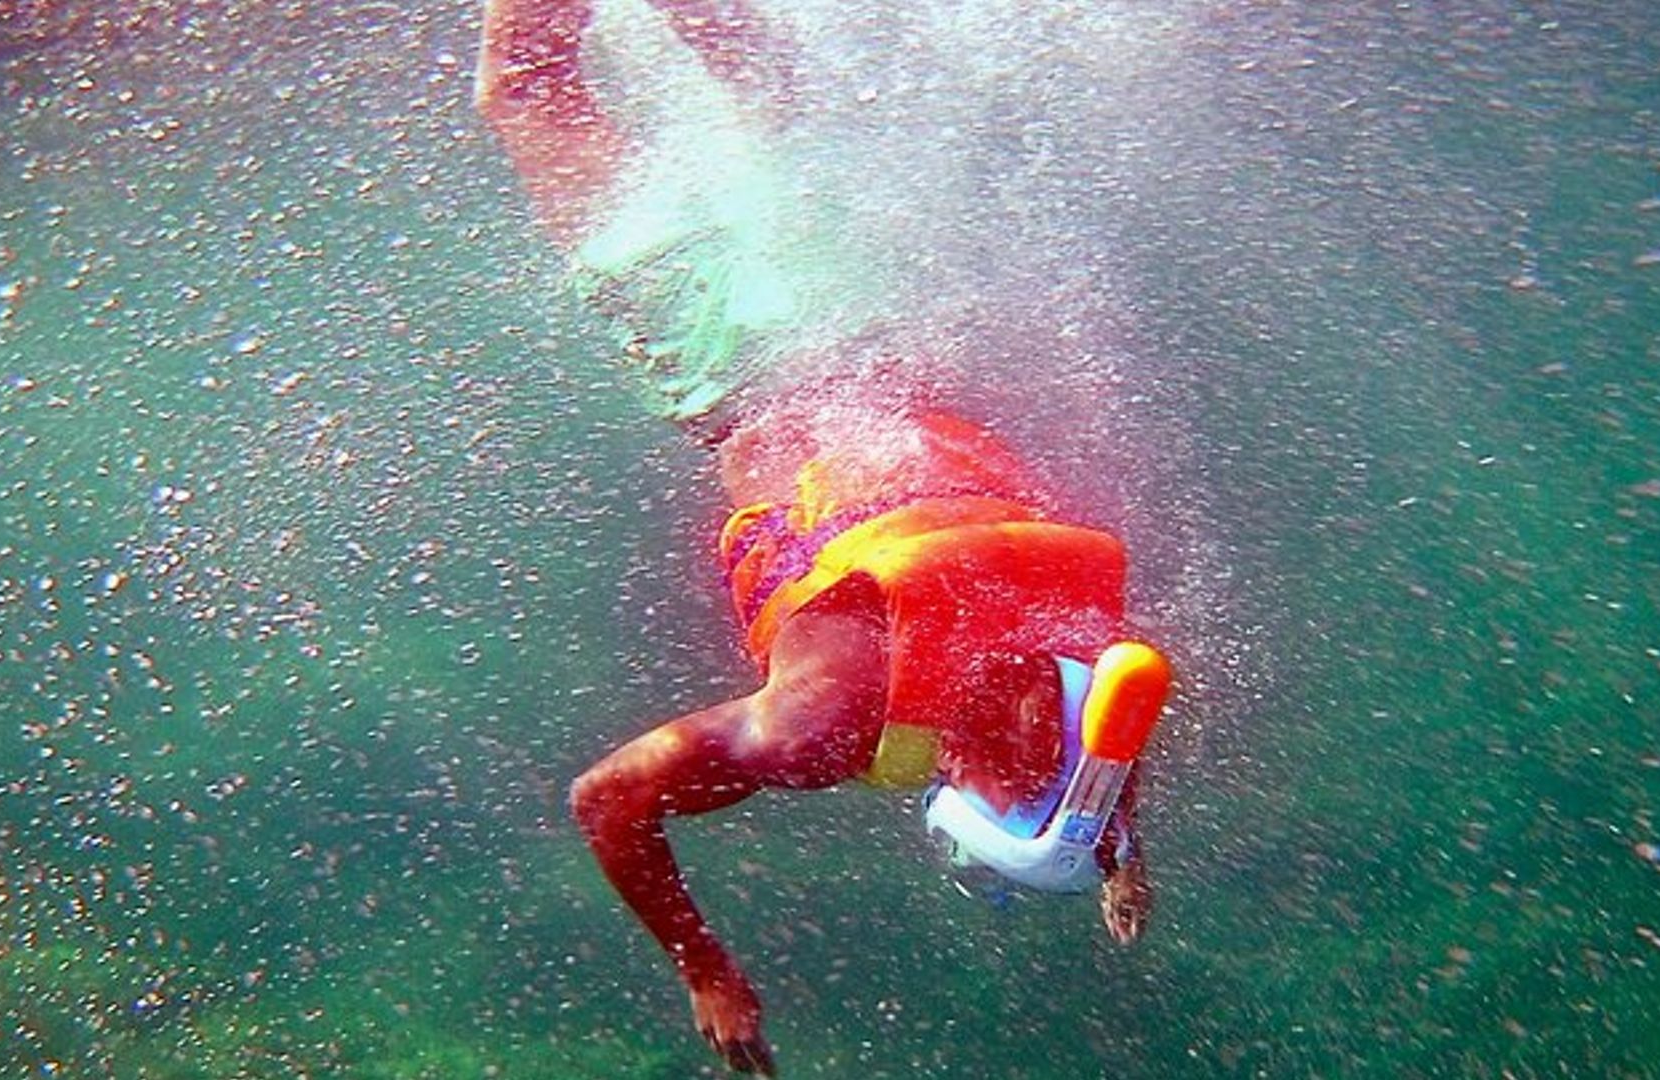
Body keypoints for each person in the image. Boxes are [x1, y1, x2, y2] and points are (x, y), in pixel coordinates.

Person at [476, 2, 1177, 1073]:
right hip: (727, 351)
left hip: (865, 309)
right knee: (529, 89)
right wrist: (707, 968)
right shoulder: (824, 726)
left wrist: (1119, 856)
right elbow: (606, 796)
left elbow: (1102, 743)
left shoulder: (1084, 658)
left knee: (762, 97)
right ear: (967, 792)